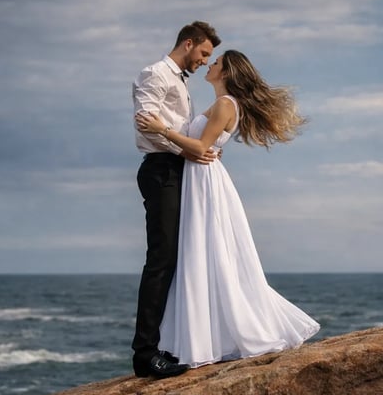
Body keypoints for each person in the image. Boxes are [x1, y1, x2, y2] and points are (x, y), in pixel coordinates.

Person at [135, 49, 320, 368]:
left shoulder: (224, 104)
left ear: (228, 72)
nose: (210, 64)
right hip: (201, 178)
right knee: (206, 256)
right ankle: (206, 336)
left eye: (216, 62)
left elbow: (200, 147)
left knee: (207, 254)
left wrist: (160, 128)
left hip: (205, 183)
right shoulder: (222, 104)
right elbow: (203, 147)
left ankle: (216, 335)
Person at [131, 21, 222, 378]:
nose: (203, 62)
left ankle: (172, 344)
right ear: (188, 43)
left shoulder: (179, 82)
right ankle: (145, 353)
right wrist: (185, 151)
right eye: (203, 53)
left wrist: (196, 150)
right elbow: (144, 121)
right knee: (161, 260)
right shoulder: (155, 74)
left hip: (178, 169)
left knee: (180, 259)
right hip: (161, 170)